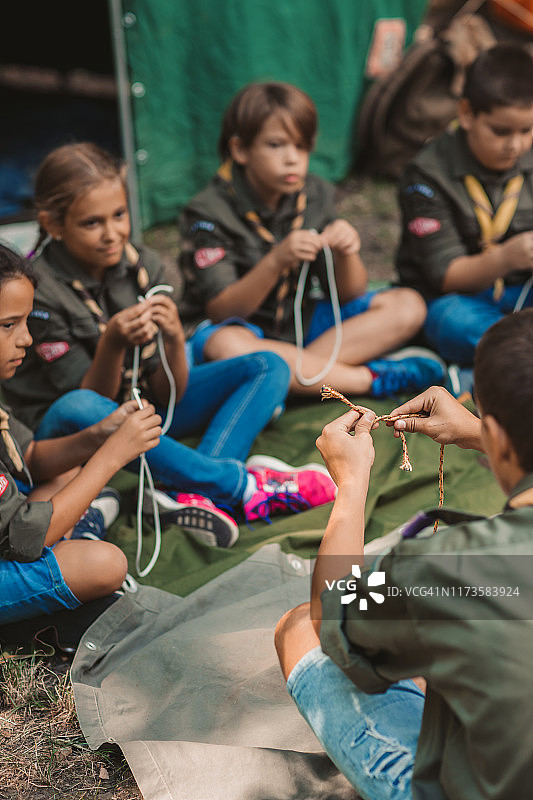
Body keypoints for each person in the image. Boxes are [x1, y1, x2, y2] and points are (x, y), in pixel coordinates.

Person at [1, 143, 336, 547]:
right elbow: (86, 406)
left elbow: (168, 393)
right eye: (92, 223)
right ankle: (237, 485)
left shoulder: (144, 266)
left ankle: (189, 491)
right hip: (71, 433)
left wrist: (175, 338)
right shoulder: (37, 290)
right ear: (53, 224)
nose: (112, 233)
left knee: (268, 365)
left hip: (146, 411)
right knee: (79, 406)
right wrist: (112, 344)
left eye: (119, 215)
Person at [275, 308, 533, 799]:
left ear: (498, 439)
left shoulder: (450, 568)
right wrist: (483, 431)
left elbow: (334, 608)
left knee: (300, 628)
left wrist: (350, 487)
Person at [179, 81, 446, 398]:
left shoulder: (314, 193)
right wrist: (276, 261)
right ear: (239, 149)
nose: (293, 159)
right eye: (276, 145)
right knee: (228, 346)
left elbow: (350, 294)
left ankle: (284, 381)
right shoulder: (208, 213)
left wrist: (347, 253)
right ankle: (366, 379)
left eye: (302, 146)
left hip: (299, 327)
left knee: (408, 305)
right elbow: (222, 310)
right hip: (238, 333)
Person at [0, 244, 163, 624]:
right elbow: (27, 540)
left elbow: (33, 458)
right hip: (19, 540)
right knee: (104, 565)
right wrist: (112, 456)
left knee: (63, 477)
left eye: (26, 323)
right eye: (9, 325)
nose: (26, 339)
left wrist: (102, 435)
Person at [396, 43, 533, 373]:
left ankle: (507, 359)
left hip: (521, 292)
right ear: (467, 113)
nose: (515, 144)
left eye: (526, 130)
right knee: (452, 323)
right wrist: (505, 257)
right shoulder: (426, 174)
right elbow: (446, 275)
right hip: (458, 298)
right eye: (500, 131)